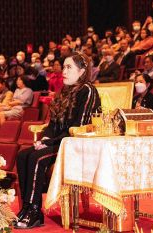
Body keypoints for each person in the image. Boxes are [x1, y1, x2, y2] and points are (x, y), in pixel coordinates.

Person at [15, 52, 100, 229]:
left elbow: (80, 126)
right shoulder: (64, 92)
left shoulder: (88, 90)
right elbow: (53, 123)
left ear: (82, 71)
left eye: (69, 67)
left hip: (74, 144)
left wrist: (48, 142)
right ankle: (26, 207)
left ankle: (35, 211)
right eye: (64, 67)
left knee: (36, 158)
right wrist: (46, 137)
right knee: (23, 155)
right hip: (58, 142)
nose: (64, 71)